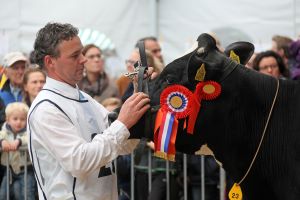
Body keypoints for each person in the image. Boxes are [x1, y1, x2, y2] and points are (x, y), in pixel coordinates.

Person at [28, 22, 151, 200]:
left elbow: (123, 146)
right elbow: (80, 162)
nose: (83, 59)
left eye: (82, 52)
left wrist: (139, 95)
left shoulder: (85, 99)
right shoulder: (46, 108)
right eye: (75, 55)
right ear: (50, 61)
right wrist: (123, 123)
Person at [0, 102, 36, 200]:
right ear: (7, 120)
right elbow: (1, 135)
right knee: (3, 194)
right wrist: (2, 141)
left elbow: (28, 138)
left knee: (27, 194)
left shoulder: (28, 131)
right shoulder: (5, 131)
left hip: (26, 170)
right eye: (15, 119)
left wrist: (18, 141)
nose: (19, 122)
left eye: (22, 119)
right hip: (9, 170)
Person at [0, 51, 28, 126]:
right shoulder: (1, 94)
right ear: (5, 72)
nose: (20, 72)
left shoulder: (34, 91)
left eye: (23, 67)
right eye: (15, 68)